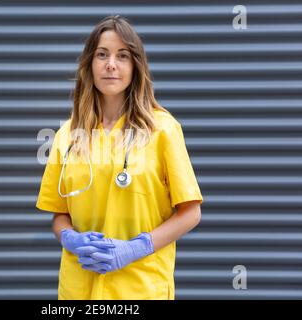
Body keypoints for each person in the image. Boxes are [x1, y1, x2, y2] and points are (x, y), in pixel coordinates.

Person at [36, 15, 203, 300]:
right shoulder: (68, 133)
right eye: (102, 54)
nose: (111, 64)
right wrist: (71, 240)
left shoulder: (163, 129)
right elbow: (59, 214)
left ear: (136, 66)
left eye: (122, 56)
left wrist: (136, 248)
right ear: (90, 63)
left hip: (140, 288)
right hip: (79, 291)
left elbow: (191, 213)